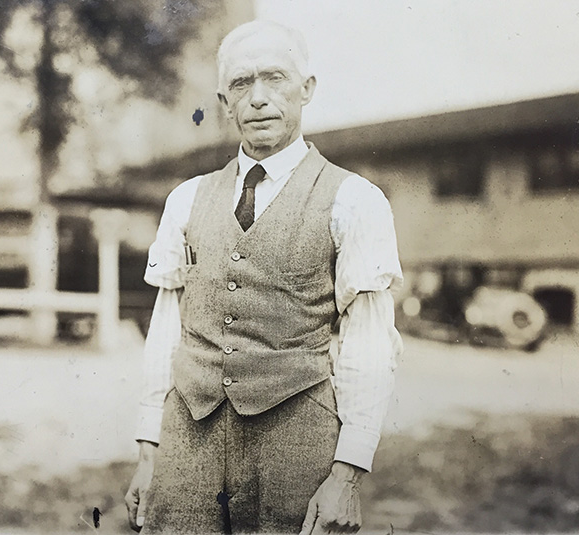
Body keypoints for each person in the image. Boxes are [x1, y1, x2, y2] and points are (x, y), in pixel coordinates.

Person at [125, 20, 402, 534]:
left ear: (306, 89)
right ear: (224, 102)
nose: (257, 99)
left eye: (274, 78)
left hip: (296, 440)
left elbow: (370, 344)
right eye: (240, 84)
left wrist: (347, 476)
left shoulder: (354, 200)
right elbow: (167, 330)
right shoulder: (186, 198)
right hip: (189, 437)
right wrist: (149, 451)